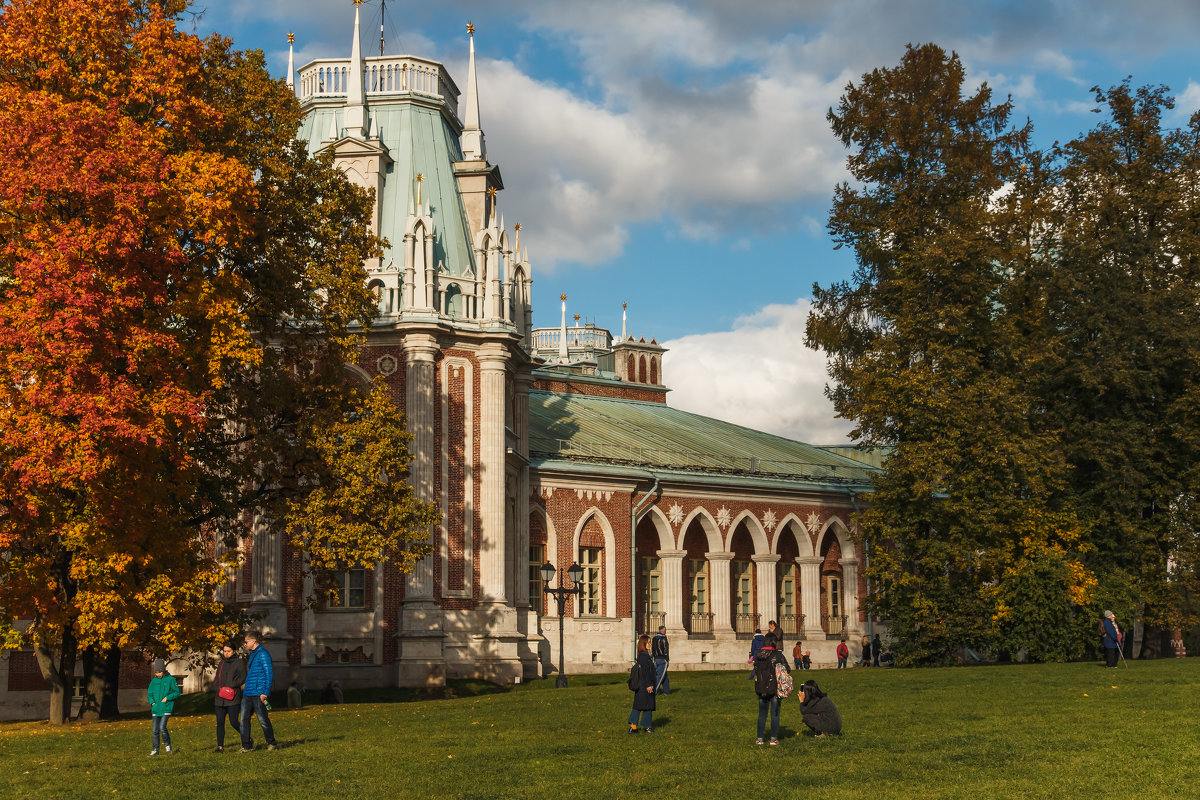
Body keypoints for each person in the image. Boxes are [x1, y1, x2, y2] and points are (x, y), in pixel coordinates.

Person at [240, 630, 278, 752]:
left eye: (246, 642)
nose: (244, 644)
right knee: (243, 720)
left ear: (253, 641)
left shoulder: (263, 654)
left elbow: (268, 674)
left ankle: (271, 743)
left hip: (258, 693)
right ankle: (246, 746)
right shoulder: (253, 654)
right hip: (248, 693)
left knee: (263, 720)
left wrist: (265, 692)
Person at [752, 633, 790, 746]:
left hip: (761, 688)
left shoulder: (758, 655)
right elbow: (787, 669)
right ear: (774, 642)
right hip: (774, 688)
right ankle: (773, 739)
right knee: (775, 714)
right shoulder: (778, 656)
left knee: (761, 714)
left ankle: (759, 738)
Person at [213, 642, 246, 752]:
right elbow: (217, 678)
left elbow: (243, 678)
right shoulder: (221, 663)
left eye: (228, 651)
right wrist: (217, 687)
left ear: (234, 651)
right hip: (220, 698)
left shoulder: (239, 662)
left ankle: (247, 739)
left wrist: (232, 685)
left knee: (234, 722)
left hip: (233, 697)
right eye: (225, 651)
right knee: (220, 722)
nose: (226, 653)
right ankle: (220, 746)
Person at [147, 659, 181, 756]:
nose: (157, 674)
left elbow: (176, 693)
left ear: (163, 670)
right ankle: (155, 750)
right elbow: (150, 694)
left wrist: (167, 698)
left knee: (162, 728)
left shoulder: (171, 680)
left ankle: (167, 746)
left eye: (159, 672)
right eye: (156, 672)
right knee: (154, 730)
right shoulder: (153, 681)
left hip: (166, 708)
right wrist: (152, 703)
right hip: (156, 709)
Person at [628, 634, 656, 733]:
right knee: (648, 705)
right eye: (648, 642)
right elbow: (645, 671)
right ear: (643, 644)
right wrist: (649, 684)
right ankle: (647, 726)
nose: (650, 644)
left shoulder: (642, 655)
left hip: (642, 685)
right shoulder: (644, 656)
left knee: (638, 705)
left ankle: (633, 726)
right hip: (645, 685)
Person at [651, 626, 671, 695]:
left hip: (656, 658)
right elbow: (665, 649)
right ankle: (654, 690)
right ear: (663, 631)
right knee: (660, 676)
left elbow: (652, 649)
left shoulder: (654, 638)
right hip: (662, 659)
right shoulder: (663, 638)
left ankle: (667, 691)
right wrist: (667, 659)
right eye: (665, 630)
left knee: (664, 675)